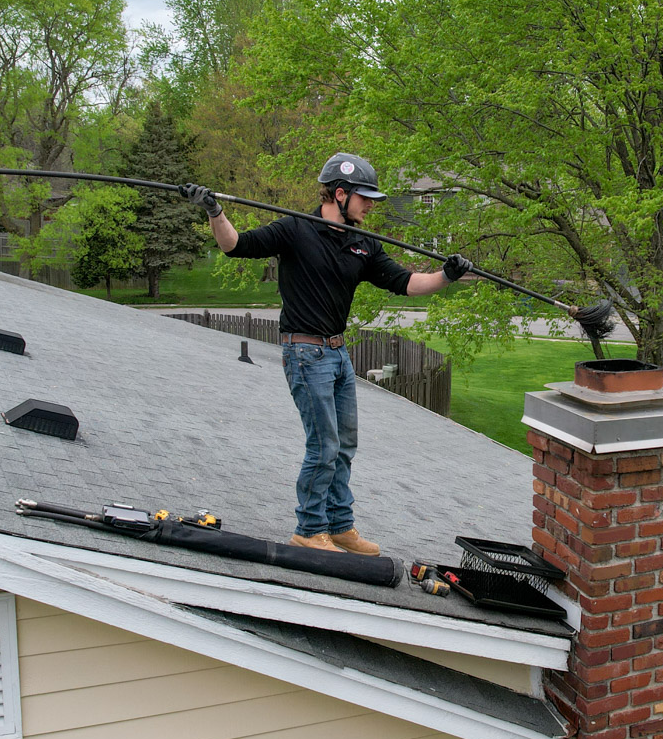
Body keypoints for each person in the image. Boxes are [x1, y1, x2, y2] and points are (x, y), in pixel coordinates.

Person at [181, 153, 471, 555]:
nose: (371, 205)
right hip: (304, 352)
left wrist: (447, 275)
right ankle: (309, 529)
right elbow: (236, 245)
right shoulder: (294, 229)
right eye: (365, 197)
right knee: (324, 445)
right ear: (340, 193)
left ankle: (339, 527)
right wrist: (214, 210)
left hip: (338, 354)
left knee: (345, 444)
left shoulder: (361, 244)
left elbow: (406, 283)